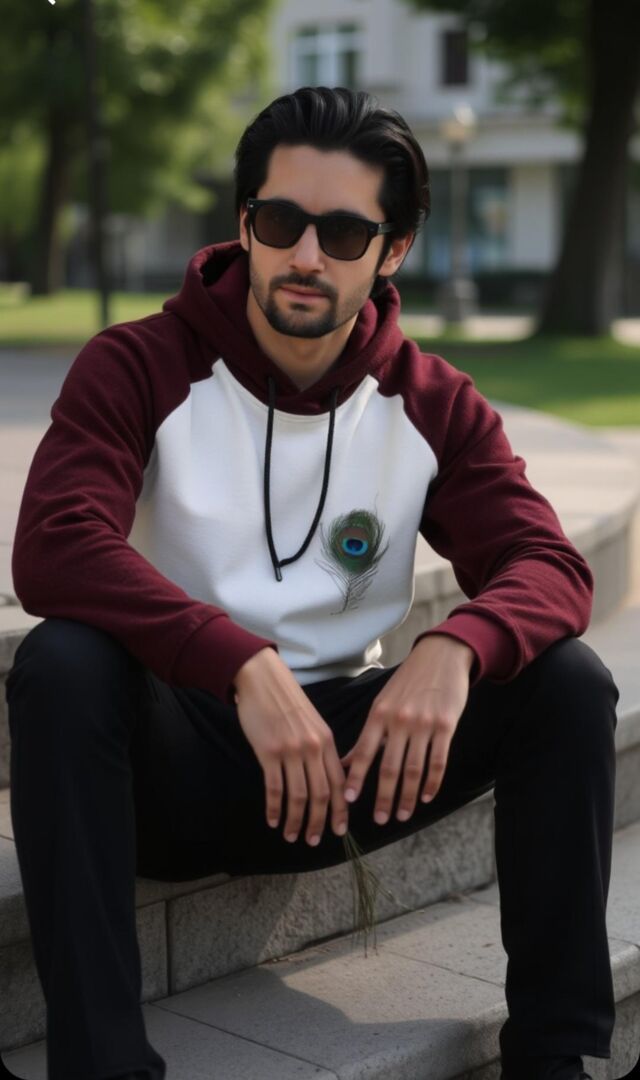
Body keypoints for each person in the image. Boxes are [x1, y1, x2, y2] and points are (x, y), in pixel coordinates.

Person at [3, 85, 629, 1080]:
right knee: (62, 662)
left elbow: (548, 564)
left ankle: (555, 1061)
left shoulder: (430, 400)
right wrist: (239, 664)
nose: (305, 255)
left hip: (349, 769)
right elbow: (55, 544)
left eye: (343, 233)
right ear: (243, 222)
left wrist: (453, 649)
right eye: (280, 221)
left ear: (394, 250)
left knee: (568, 683)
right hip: (175, 763)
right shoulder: (137, 363)